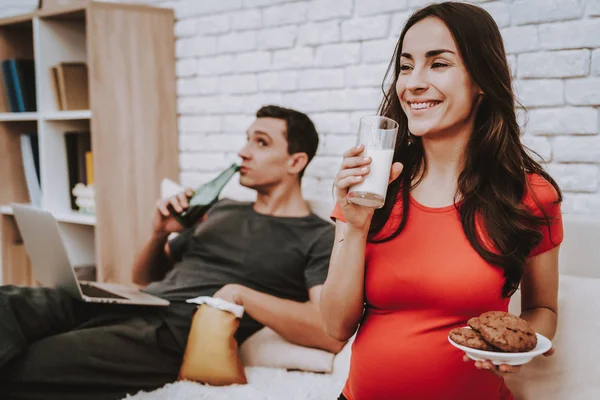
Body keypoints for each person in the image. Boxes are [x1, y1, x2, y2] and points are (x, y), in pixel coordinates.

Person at [0, 105, 342, 400]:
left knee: (32, 364)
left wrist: (243, 295)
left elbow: (326, 331)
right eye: (247, 138)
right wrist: (158, 233)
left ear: (296, 161)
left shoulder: (317, 236)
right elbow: (145, 278)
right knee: (10, 301)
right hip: (134, 302)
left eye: (261, 142)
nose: (243, 151)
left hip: (170, 333)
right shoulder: (221, 210)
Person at [320, 3, 563, 400]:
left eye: (438, 64)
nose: (412, 83)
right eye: (405, 66)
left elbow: (544, 310)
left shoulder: (531, 196)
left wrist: (522, 346)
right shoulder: (370, 187)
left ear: (482, 79)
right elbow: (335, 327)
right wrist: (355, 225)